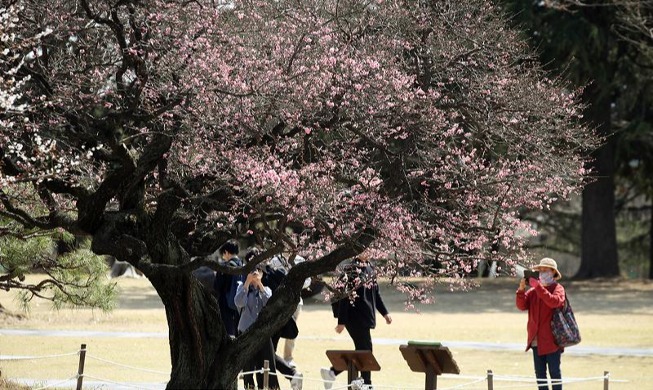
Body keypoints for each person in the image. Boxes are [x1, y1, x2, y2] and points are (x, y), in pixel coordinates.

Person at [321, 252, 392, 389]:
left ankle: (332, 372)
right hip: (353, 317)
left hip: (366, 316)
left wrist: (385, 313)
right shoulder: (351, 270)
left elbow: (376, 295)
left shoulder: (370, 268)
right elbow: (343, 296)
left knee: (362, 349)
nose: (368, 251)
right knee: (366, 350)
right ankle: (366, 383)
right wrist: (341, 321)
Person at [235, 248, 303, 390]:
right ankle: (250, 387)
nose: (255, 273)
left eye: (258, 271)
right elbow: (239, 302)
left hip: (264, 332)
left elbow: (269, 302)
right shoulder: (242, 287)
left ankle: (269, 387)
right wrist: (247, 282)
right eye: (252, 271)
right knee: (249, 366)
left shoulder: (267, 287)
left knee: (267, 361)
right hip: (246, 332)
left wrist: (259, 284)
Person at [516, 257, 566, 390]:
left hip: (552, 340)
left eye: (546, 270)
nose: (542, 272)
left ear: (553, 272)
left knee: (554, 373)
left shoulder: (558, 288)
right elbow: (521, 306)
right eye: (540, 270)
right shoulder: (533, 292)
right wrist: (521, 290)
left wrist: (538, 287)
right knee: (540, 375)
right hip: (536, 340)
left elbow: (554, 302)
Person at [213, 240, 244, 337]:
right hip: (240, 304)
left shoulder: (224, 267)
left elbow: (217, 286)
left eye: (223, 254)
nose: (223, 257)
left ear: (226, 252)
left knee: (227, 333)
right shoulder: (243, 265)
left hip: (225, 305)